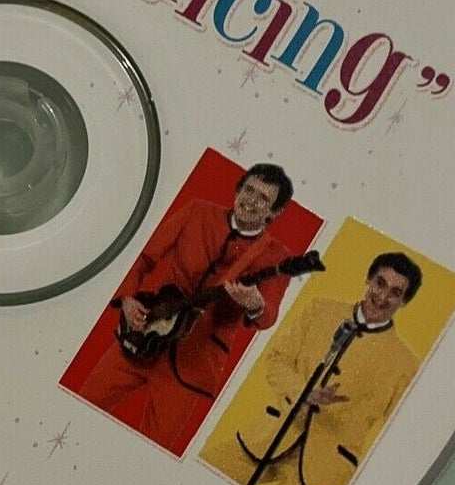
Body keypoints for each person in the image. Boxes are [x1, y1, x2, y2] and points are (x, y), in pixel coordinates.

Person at [76, 163, 295, 451]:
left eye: (263, 198)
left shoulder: (277, 257)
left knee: (148, 454)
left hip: (191, 368)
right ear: (238, 189)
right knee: (77, 408)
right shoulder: (197, 211)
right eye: (249, 190)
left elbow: (267, 317)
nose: (251, 201)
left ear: (274, 213)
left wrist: (255, 304)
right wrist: (128, 299)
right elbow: (143, 256)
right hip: (142, 336)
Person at [200, 250, 423, 485]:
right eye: (380, 283)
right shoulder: (321, 310)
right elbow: (276, 360)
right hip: (271, 434)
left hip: (324, 470)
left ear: (404, 302)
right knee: (203, 476)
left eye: (395, 292)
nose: (383, 296)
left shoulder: (405, 364)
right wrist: (303, 391)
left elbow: (401, 436)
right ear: (368, 279)